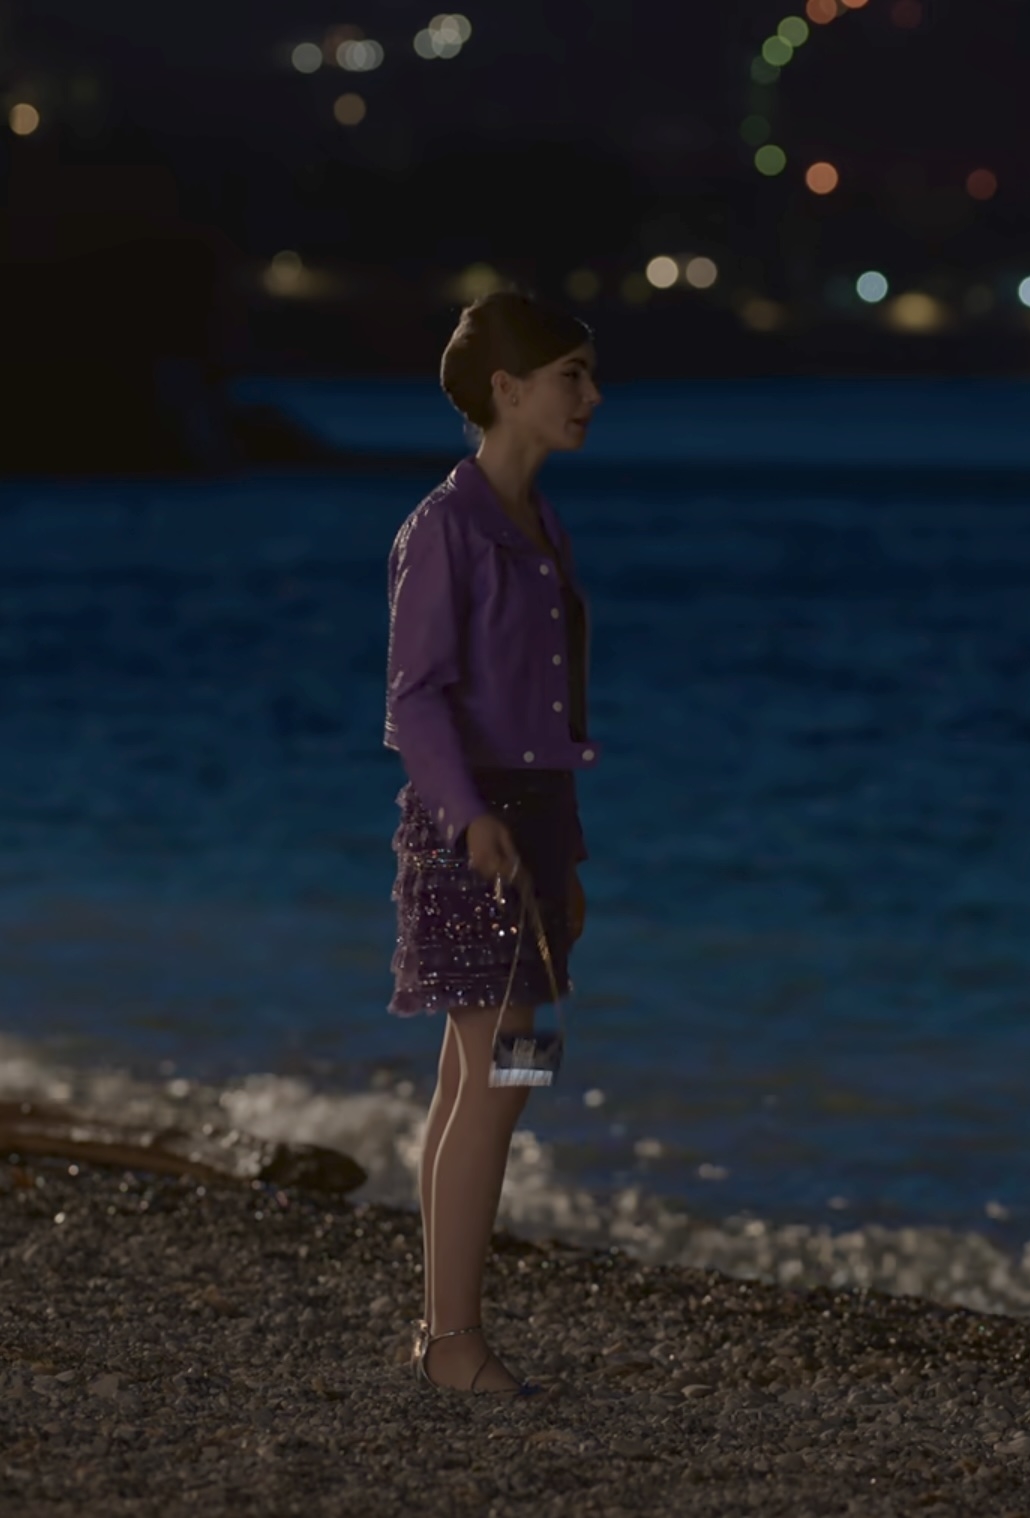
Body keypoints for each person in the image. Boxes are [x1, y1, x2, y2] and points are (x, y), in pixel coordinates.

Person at [384, 290, 603, 1394]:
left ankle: (442, 1331)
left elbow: (546, 702)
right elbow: (414, 699)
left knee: (484, 1072)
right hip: (473, 829)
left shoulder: (537, 522)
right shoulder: (443, 527)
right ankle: (455, 1340)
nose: (592, 397)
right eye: (572, 375)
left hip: (536, 823)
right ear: (507, 390)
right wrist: (470, 817)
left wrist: (565, 846)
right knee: (506, 1072)